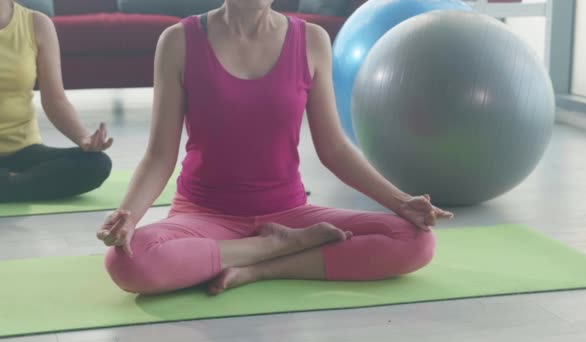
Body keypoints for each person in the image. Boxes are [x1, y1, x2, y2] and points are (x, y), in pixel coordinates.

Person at [97, 0, 453, 296]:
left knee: (415, 241)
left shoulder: (311, 40)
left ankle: (262, 269)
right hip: (203, 215)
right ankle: (274, 247)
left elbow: (335, 150)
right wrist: (128, 218)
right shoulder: (178, 41)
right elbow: (159, 157)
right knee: (126, 261)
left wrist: (399, 201)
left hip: (289, 214)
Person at [0, 0, 113, 202]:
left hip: (24, 152)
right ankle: (16, 185)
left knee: (97, 164)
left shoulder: (36, 24)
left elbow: (55, 100)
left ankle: (8, 183)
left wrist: (83, 139)